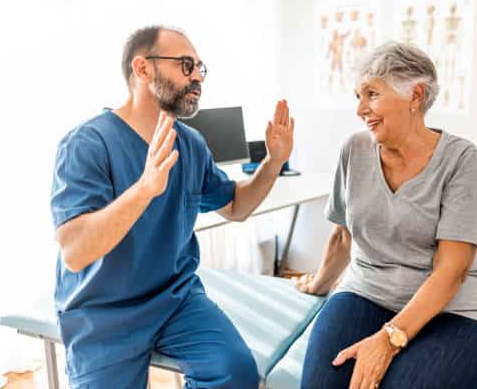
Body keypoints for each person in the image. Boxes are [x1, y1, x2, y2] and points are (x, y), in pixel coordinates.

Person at [50, 25, 294, 388]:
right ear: (143, 69)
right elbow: (75, 252)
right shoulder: (88, 144)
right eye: (185, 65)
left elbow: (237, 206)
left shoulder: (191, 144)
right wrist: (145, 189)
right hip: (103, 313)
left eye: (199, 68)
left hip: (174, 299)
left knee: (235, 371)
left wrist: (273, 163)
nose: (197, 76)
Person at [294, 41, 477, 389]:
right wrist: (318, 283)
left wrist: (389, 339)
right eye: (358, 97)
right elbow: (344, 235)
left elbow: (452, 270)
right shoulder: (354, 150)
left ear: (416, 96)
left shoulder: (460, 159)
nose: (361, 109)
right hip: (366, 293)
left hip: (454, 312)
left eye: (372, 94)